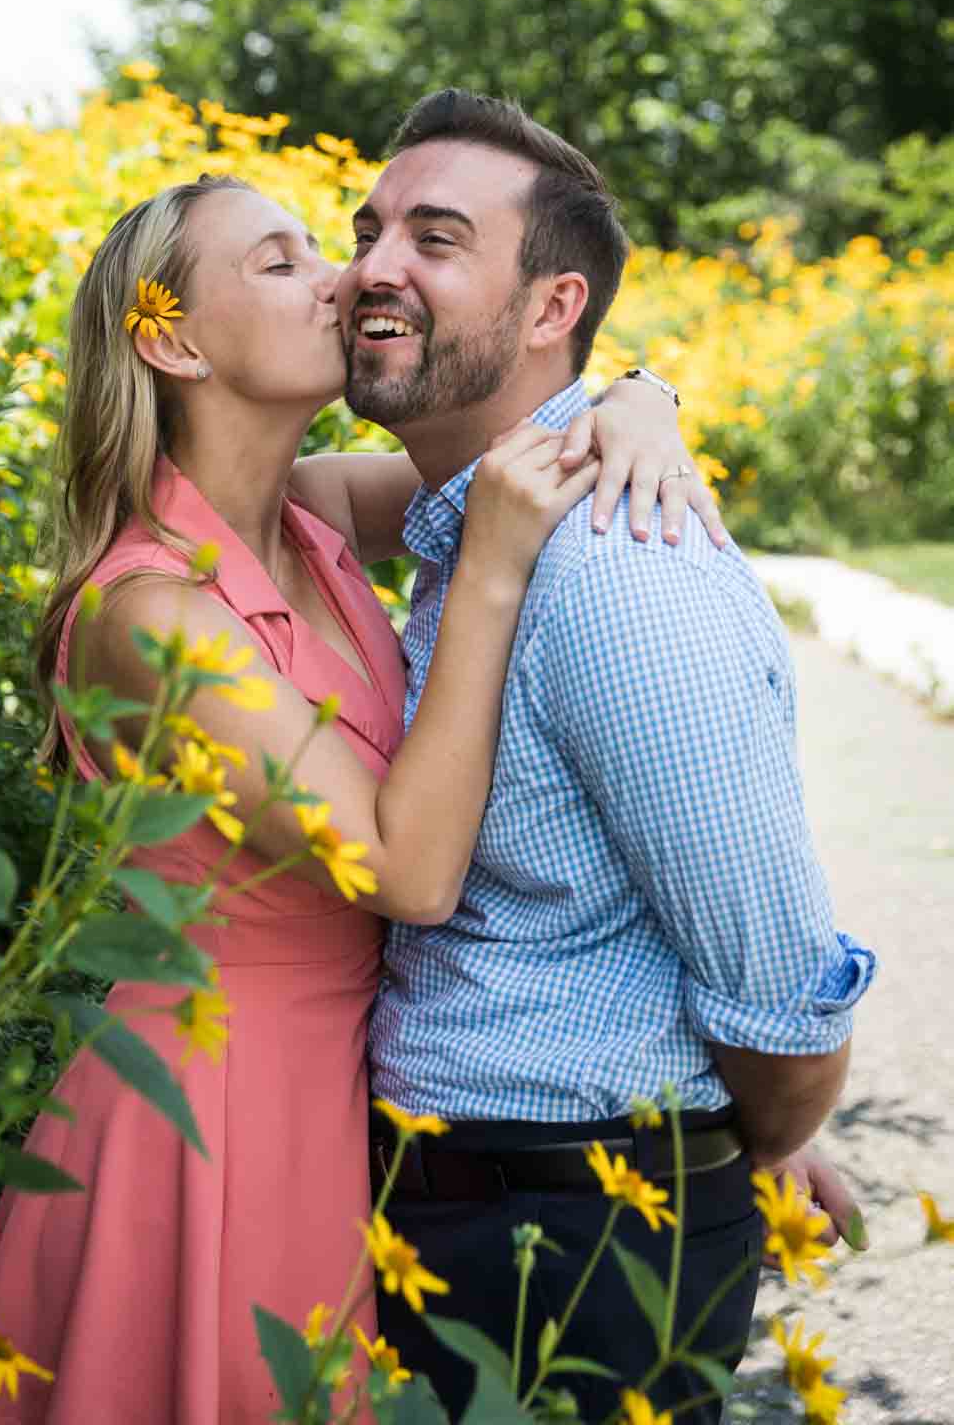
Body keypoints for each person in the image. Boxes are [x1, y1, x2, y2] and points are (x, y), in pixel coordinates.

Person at [0, 172, 715, 1424]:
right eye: (278, 261)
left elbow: (505, 448)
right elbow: (404, 868)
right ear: (171, 338)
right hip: (209, 1114)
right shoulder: (152, 613)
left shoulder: (304, 516)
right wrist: (485, 574)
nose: (344, 277)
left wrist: (642, 398)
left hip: (336, 1088)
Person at [329, 90, 876, 1423]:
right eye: (369, 227)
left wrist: (742, 1152)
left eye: (436, 238)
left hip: (567, 1241)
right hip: (448, 1215)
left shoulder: (622, 571)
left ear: (548, 306)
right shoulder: (463, 522)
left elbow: (780, 987)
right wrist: (641, 387)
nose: (372, 266)